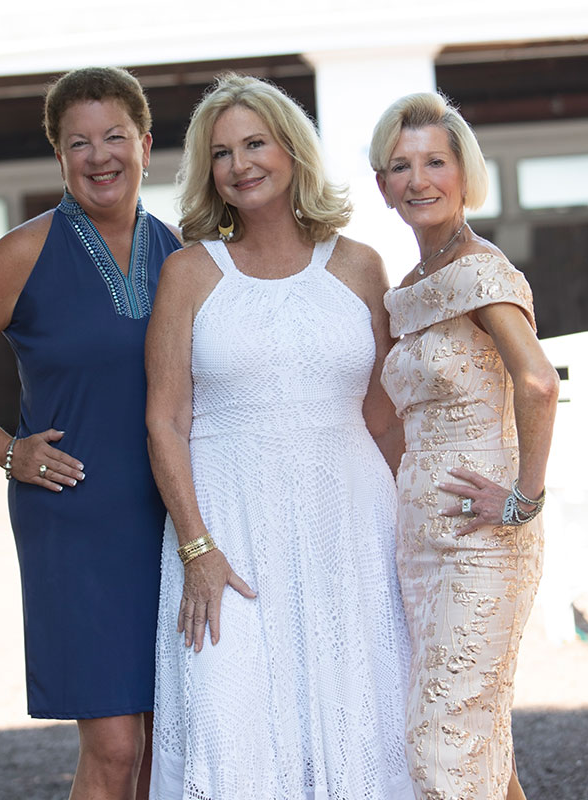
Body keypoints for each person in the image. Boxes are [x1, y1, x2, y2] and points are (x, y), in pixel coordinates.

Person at [0, 67, 180, 800]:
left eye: (115, 136)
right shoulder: (26, 252)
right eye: (77, 142)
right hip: (75, 518)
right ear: (58, 156)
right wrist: (8, 449)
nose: (98, 156)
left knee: (157, 744)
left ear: (146, 144)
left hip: (167, 518)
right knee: (114, 744)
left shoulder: (181, 253)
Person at [144, 73, 413, 799]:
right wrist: (196, 545)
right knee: (233, 719)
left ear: (293, 151)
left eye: (255, 143)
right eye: (222, 153)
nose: (240, 164)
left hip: (353, 527)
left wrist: (420, 531)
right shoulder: (190, 273)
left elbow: (384, 416)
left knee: (363, 706)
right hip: (228, 532)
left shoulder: (360, 266)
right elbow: (165, 418)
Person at [370, 92, 559, 800]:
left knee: (443, 742)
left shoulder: (480, 272)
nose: (419, 179)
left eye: (435, 162)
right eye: (400, 166)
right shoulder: (413, 284)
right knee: (481, 740)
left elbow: (538, 382)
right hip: (420, 541)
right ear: (382, 185)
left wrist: (524, 501)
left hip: (484, 541)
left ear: (463, 172)